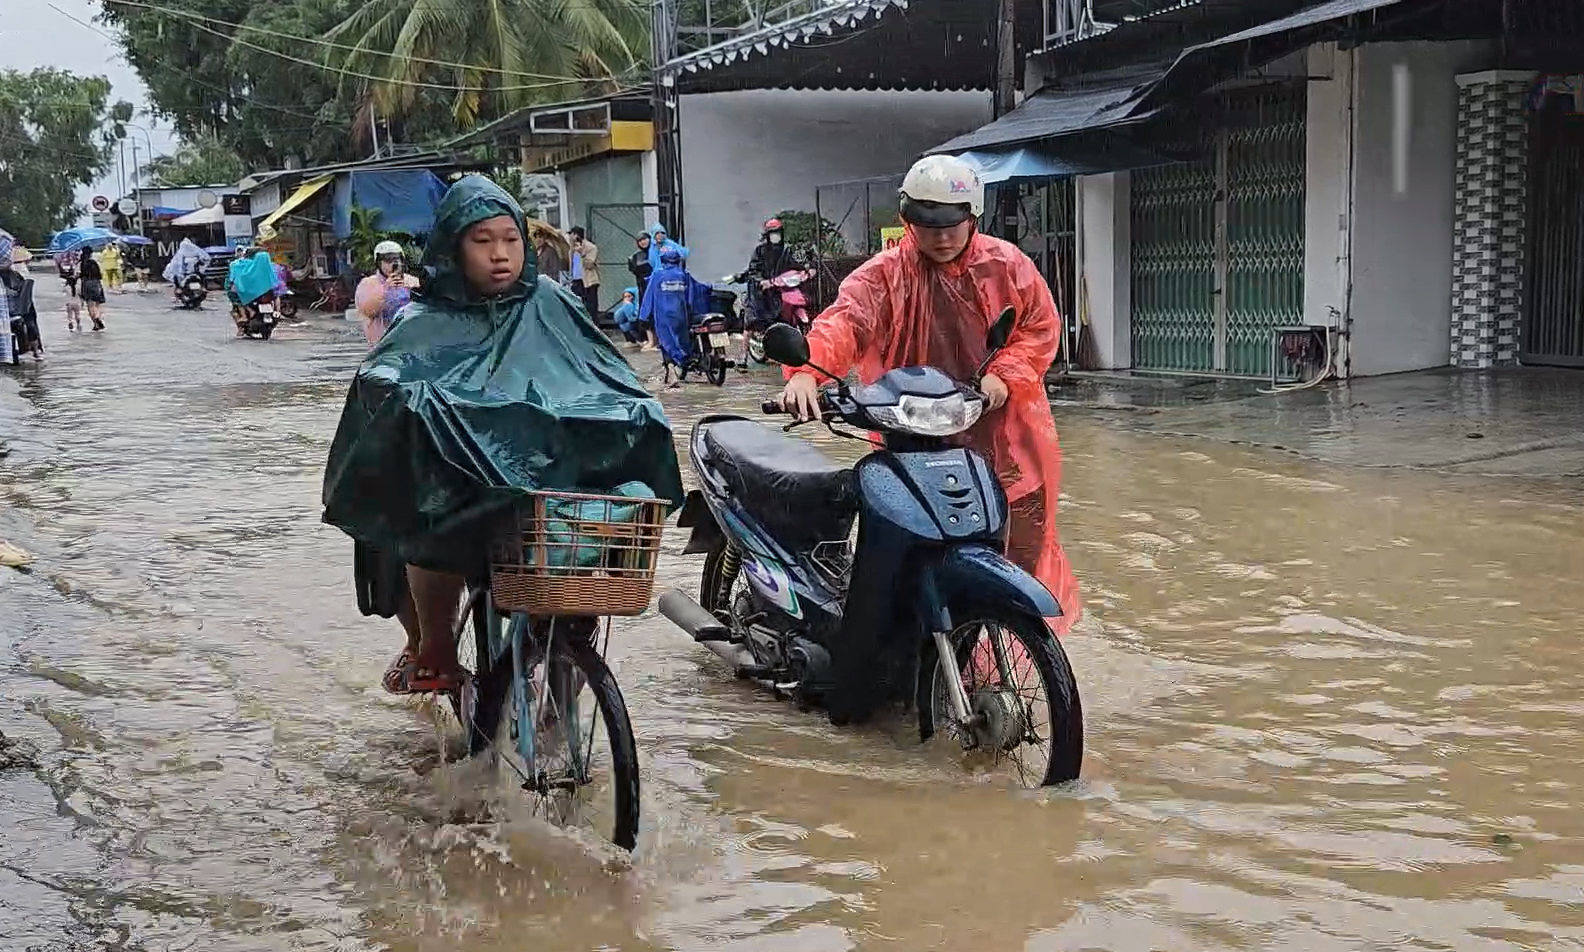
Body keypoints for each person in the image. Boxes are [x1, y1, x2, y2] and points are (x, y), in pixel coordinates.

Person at [323, 175, 683, 694]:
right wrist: (411, 401)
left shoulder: (552, 303)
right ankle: (435, 644)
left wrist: (636, 409)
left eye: (511, 239)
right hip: (460, 486)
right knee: (429, 517)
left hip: (548, 481)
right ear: (453, 246)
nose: (499, 254)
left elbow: (606, 375)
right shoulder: (424, 316)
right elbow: (383, 375)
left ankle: (561, 669)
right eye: (482, 241)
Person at [779, 154, 1082, 637]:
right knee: (911, 544)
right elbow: (844, 324)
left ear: (973, 218)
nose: (941, 237)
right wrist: (804, 373)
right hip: (915, 430)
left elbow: (1040, 328)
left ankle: (1016, 650)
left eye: (951, 225)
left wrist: (1004, 375)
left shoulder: (1008, 267)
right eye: (927, 225)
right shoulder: (882, 277)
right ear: (908, 221)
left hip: (1005, 430)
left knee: (1021, 549)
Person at [743, 216, 811, 369]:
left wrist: (807, 270)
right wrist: (762, 281)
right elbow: (753, 270)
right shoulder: (760, 251)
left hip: (780, 288)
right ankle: (743, 357)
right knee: (751, 322)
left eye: (778, 232)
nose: (776, 236)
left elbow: (796, 263)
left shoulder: (786, 250)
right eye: (773, 233)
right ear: (767, 235)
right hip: (762, 292)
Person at [640, 247, 711, 385]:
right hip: (680, 314)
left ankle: (672, 370)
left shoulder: (657, 275)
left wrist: (643, 316)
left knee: (666, 341)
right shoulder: (684, 275)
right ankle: (684, 360)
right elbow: (691, 296)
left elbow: (649, 297)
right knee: (682, 339)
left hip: (663, 315)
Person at [354, 240, 421, 346]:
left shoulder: (412, 281)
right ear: (378, 263)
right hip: (383, 344)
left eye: (396, 259)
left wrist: (415, 290)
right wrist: (385, 288)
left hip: (412, 342)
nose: (393, 264)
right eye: (388, 261)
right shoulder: (368, 283)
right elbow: (368, 310)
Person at [568, 226, 602, 319]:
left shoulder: (591, 247)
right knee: (576, 305)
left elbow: (590, 265)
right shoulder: (571, 249)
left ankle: (593, 324)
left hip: (588, 281)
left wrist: (581, 253)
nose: (570, 237)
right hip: (576, 280)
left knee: (591, 307)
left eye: (571, 234)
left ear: (576, 235)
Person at [78, 250, 106, 331]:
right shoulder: (93, 263)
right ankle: (97, 317)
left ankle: (95, 323)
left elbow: (80, 275)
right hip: (96, 283)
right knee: (98, 304)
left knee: (90, 305)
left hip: (86, 284)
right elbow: (99, 275)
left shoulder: (82, 263)